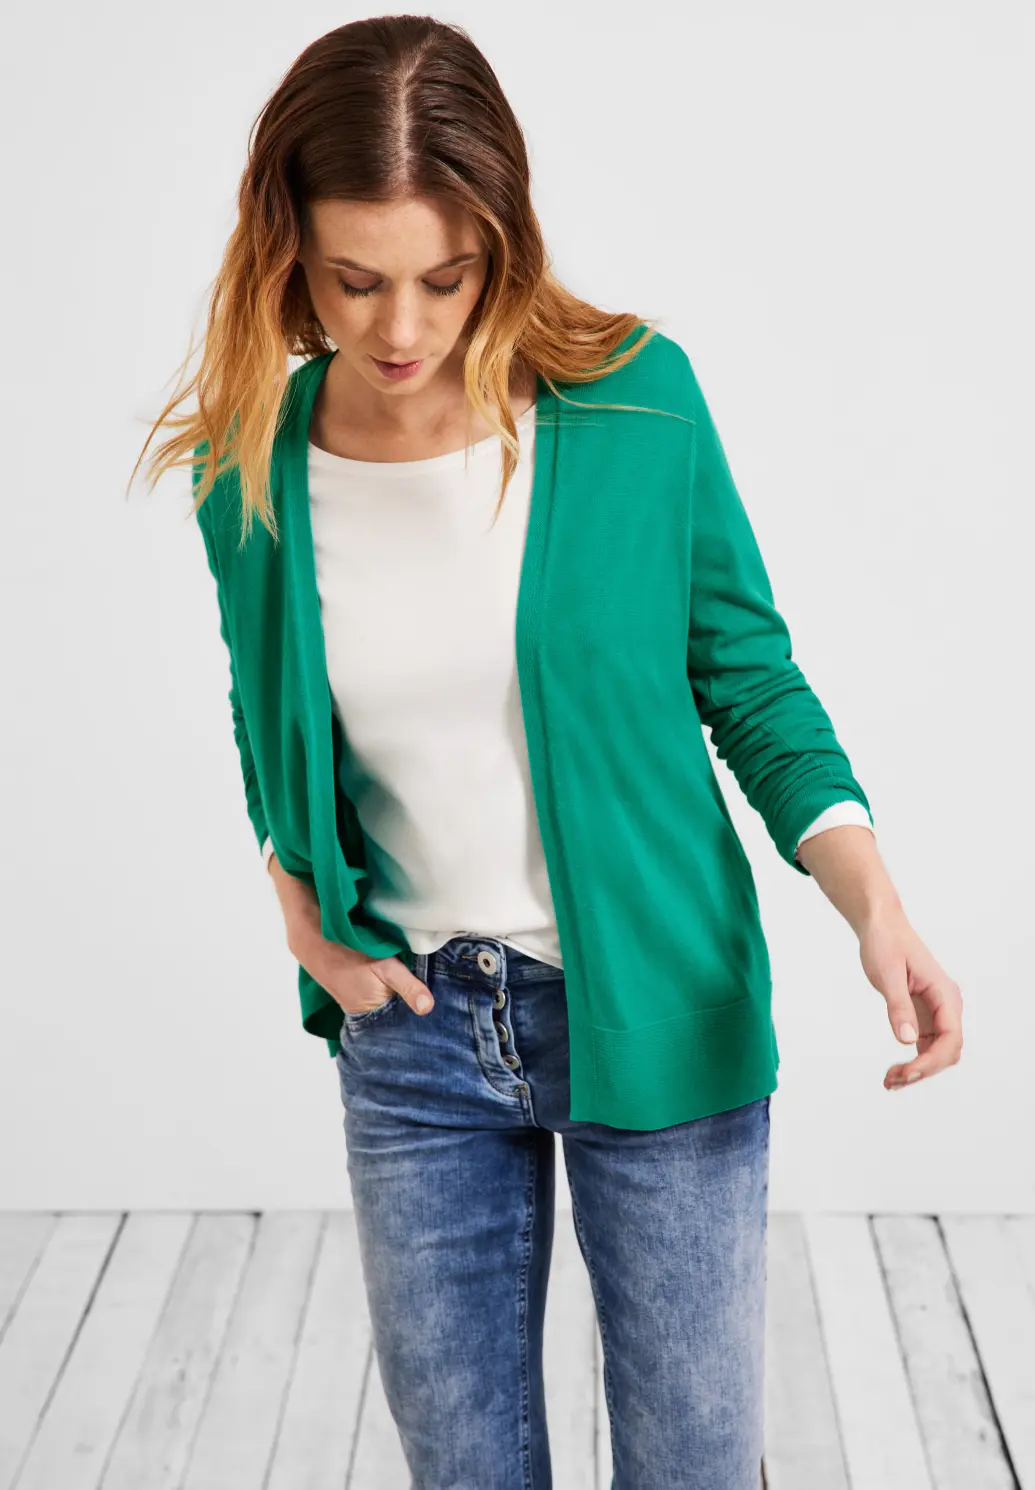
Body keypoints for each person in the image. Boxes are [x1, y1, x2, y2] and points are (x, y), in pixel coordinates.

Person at [134, 15, 964, 1489]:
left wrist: (873, 902)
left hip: (653, 998)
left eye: (444, 277)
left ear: (501, 242)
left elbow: (749, 683)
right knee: (463, 1466)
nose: (401, 327)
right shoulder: (248, 463)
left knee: (692, 1461)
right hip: (413, 1035)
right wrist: (304, 921)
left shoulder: (635, 402)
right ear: (287, 251)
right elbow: (269, 718)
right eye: (354, 280)